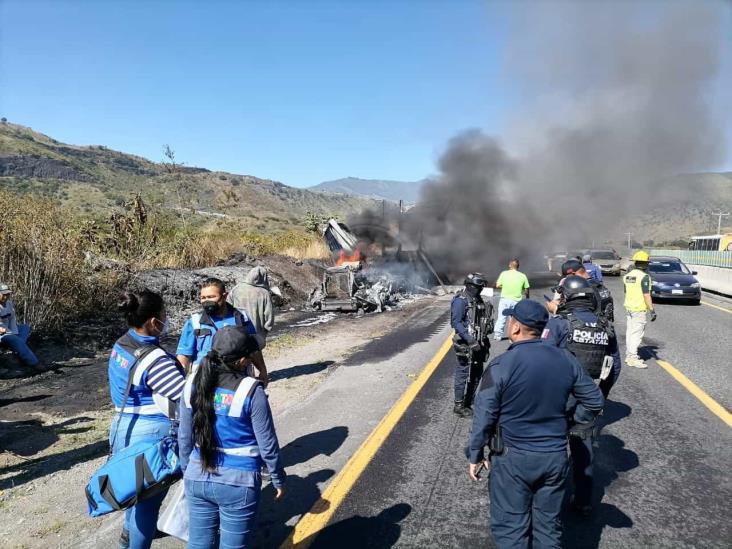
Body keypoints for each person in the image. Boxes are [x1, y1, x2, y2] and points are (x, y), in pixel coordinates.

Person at [466, 299, 604, 549]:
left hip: (513, 459)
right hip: (554, 457)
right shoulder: (566, 359)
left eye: (510, 320)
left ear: (515, 327)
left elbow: (484, 415)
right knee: (548, 529)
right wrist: (573, 421)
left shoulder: (502, 365)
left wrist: (475, 453)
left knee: (511, 529)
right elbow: (594, 400)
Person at [179, 325, 286, 549]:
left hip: (197, 474)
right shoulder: (251, 391)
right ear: (241, 361)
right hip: (239, 481)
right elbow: (267, 444)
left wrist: (187, 469)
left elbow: (185, 437)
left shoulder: (191, 384)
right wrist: (277, 478)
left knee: (198, 543)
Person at [109, 290, 186, 549]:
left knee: (134, 493)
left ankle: (127, 538)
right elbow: (186, 397)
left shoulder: (121, 344)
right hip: (149, 436)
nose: (167, 319)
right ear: (154, 322)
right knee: (147, 504)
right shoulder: (155, 360)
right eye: (164, 315)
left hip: (122, 428)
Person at [542, 275, 620, 517]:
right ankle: (583, 501)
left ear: (567, 297)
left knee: (549, 450)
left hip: (558, 399)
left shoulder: (559, 324)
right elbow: (615, 366)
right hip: (587, 400)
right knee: (583, 451)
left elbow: (541, 359)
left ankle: (548, 503)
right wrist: (600, 395)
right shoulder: (605, 325)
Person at [177, 278, 266, 381]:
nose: (206, 301)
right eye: (203, 298)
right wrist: (180, 382)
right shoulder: (194, 322)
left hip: (239, 378)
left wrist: (263, 371)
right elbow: (184, 355)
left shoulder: (242, 318)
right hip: (205, 381)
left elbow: (253, 348)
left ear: (224, 296)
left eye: (211, 297)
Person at [450, 273, 494, 418]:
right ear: (469, 285)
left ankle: (469, 401)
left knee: (477, 373)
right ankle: (458, 405)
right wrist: (470, 340)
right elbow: (456, 322)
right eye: (477, 287)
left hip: (479, 342)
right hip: (465, 342)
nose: (480, 290)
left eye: (481, 287)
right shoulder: (460, 301)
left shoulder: (478, 299)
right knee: (463, 373)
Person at [547, 260, 614, 322]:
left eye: (566, 277)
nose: (566, 280)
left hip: (587, 328)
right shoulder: (599, 285)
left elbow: (580, 315)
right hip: (603, 328)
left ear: (573, 274)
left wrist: (555, 309)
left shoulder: (583, 290)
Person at [0, 283, 45, 376]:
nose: (6, 296)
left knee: (25, 328)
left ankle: (19, 349)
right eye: (4, 294)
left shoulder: (9, 304)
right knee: (14, 339)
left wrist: (14, 332)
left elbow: (12, 319)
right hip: (1, 333)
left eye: (7, 294)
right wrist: (6, 332)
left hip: (8, 330)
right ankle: (35, 363)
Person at [623, 251, 656, 369]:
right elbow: (646, 295)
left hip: (629, 307)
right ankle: (632, 357)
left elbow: (626, 292)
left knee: (630, 332)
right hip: (639, 309)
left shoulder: (627, 276)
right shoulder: (644, 277)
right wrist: (652, 310)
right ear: (645, 264)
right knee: (636, 334)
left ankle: (629, 355)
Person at [228, 266, 275, 350]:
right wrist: (266, 330)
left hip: (237, 330)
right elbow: (269, 315)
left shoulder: (236, 289)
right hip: (257, 332)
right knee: (255, 354)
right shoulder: (264, 293)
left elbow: (228, 307)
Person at [493, 259, 530, 341]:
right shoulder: (522, 276)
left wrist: (505, 286)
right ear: (518, 266)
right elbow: (526, 289)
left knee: (501, 317)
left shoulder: (504, 273)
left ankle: (498, 335)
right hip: (516, 301)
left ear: (510, 265)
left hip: (505, 299)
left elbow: (497, 285)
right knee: (514, 319)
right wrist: (527, 298)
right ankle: (513, 336)